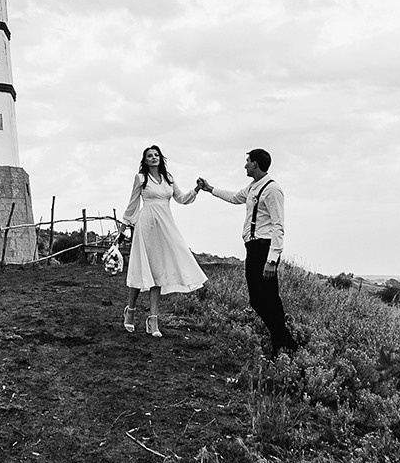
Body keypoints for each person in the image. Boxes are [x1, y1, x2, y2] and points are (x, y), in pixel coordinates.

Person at [197, 149, 299, 358]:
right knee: (258, 300)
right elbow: (235, 197)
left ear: (256, 164)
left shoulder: (272, 190)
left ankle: (282, 343)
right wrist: (209, 189)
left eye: (248, 162)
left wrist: (272, 260)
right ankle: (284, 340)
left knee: (269, 299)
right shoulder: (253, 187)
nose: (245, 166)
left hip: (265, 249)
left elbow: (278, 226)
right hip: (253, 248)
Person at [119, 144, 207, 337]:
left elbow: (182, 199)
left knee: (158, 272)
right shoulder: (141, 178)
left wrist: (196, 189)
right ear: (145, 160)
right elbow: (133, 203)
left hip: (164, 226)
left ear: (161, 158)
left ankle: (153, 321)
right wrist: (123, 228)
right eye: (149, 156)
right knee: (141, 268)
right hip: (146, 226)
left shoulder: (169, 179)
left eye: (156, 155)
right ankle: (130, 312)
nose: (153, 158)